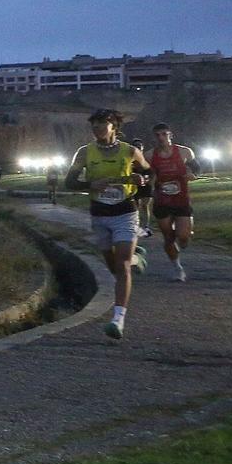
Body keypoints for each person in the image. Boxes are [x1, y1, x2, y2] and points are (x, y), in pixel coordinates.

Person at [63, 109, 152, 339]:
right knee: (114, 266)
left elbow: (149, 174)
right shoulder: (84, 153)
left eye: (102, 125)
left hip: (125, 212)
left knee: (121, 267)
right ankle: (137, 257)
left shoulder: (130, 151)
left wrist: (140, 180)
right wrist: (91, 184)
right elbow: (69, 183)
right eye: (94, 126)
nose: (97, 129)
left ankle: (118, 319)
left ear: (114, 127)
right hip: (99, 214)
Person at [146, 122, 199, 281]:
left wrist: (192, 174)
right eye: (158, 135)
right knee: (168, 237)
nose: (161, 138)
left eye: (164, 134)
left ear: (170, 135)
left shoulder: (184, 152)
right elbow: (147, 176)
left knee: (183, 237)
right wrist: (148, 189)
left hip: (181, 199)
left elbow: (196, 168)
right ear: (154, 137)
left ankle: (183, 237)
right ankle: (178, 268)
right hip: (162, 200)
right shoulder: (149, 156)